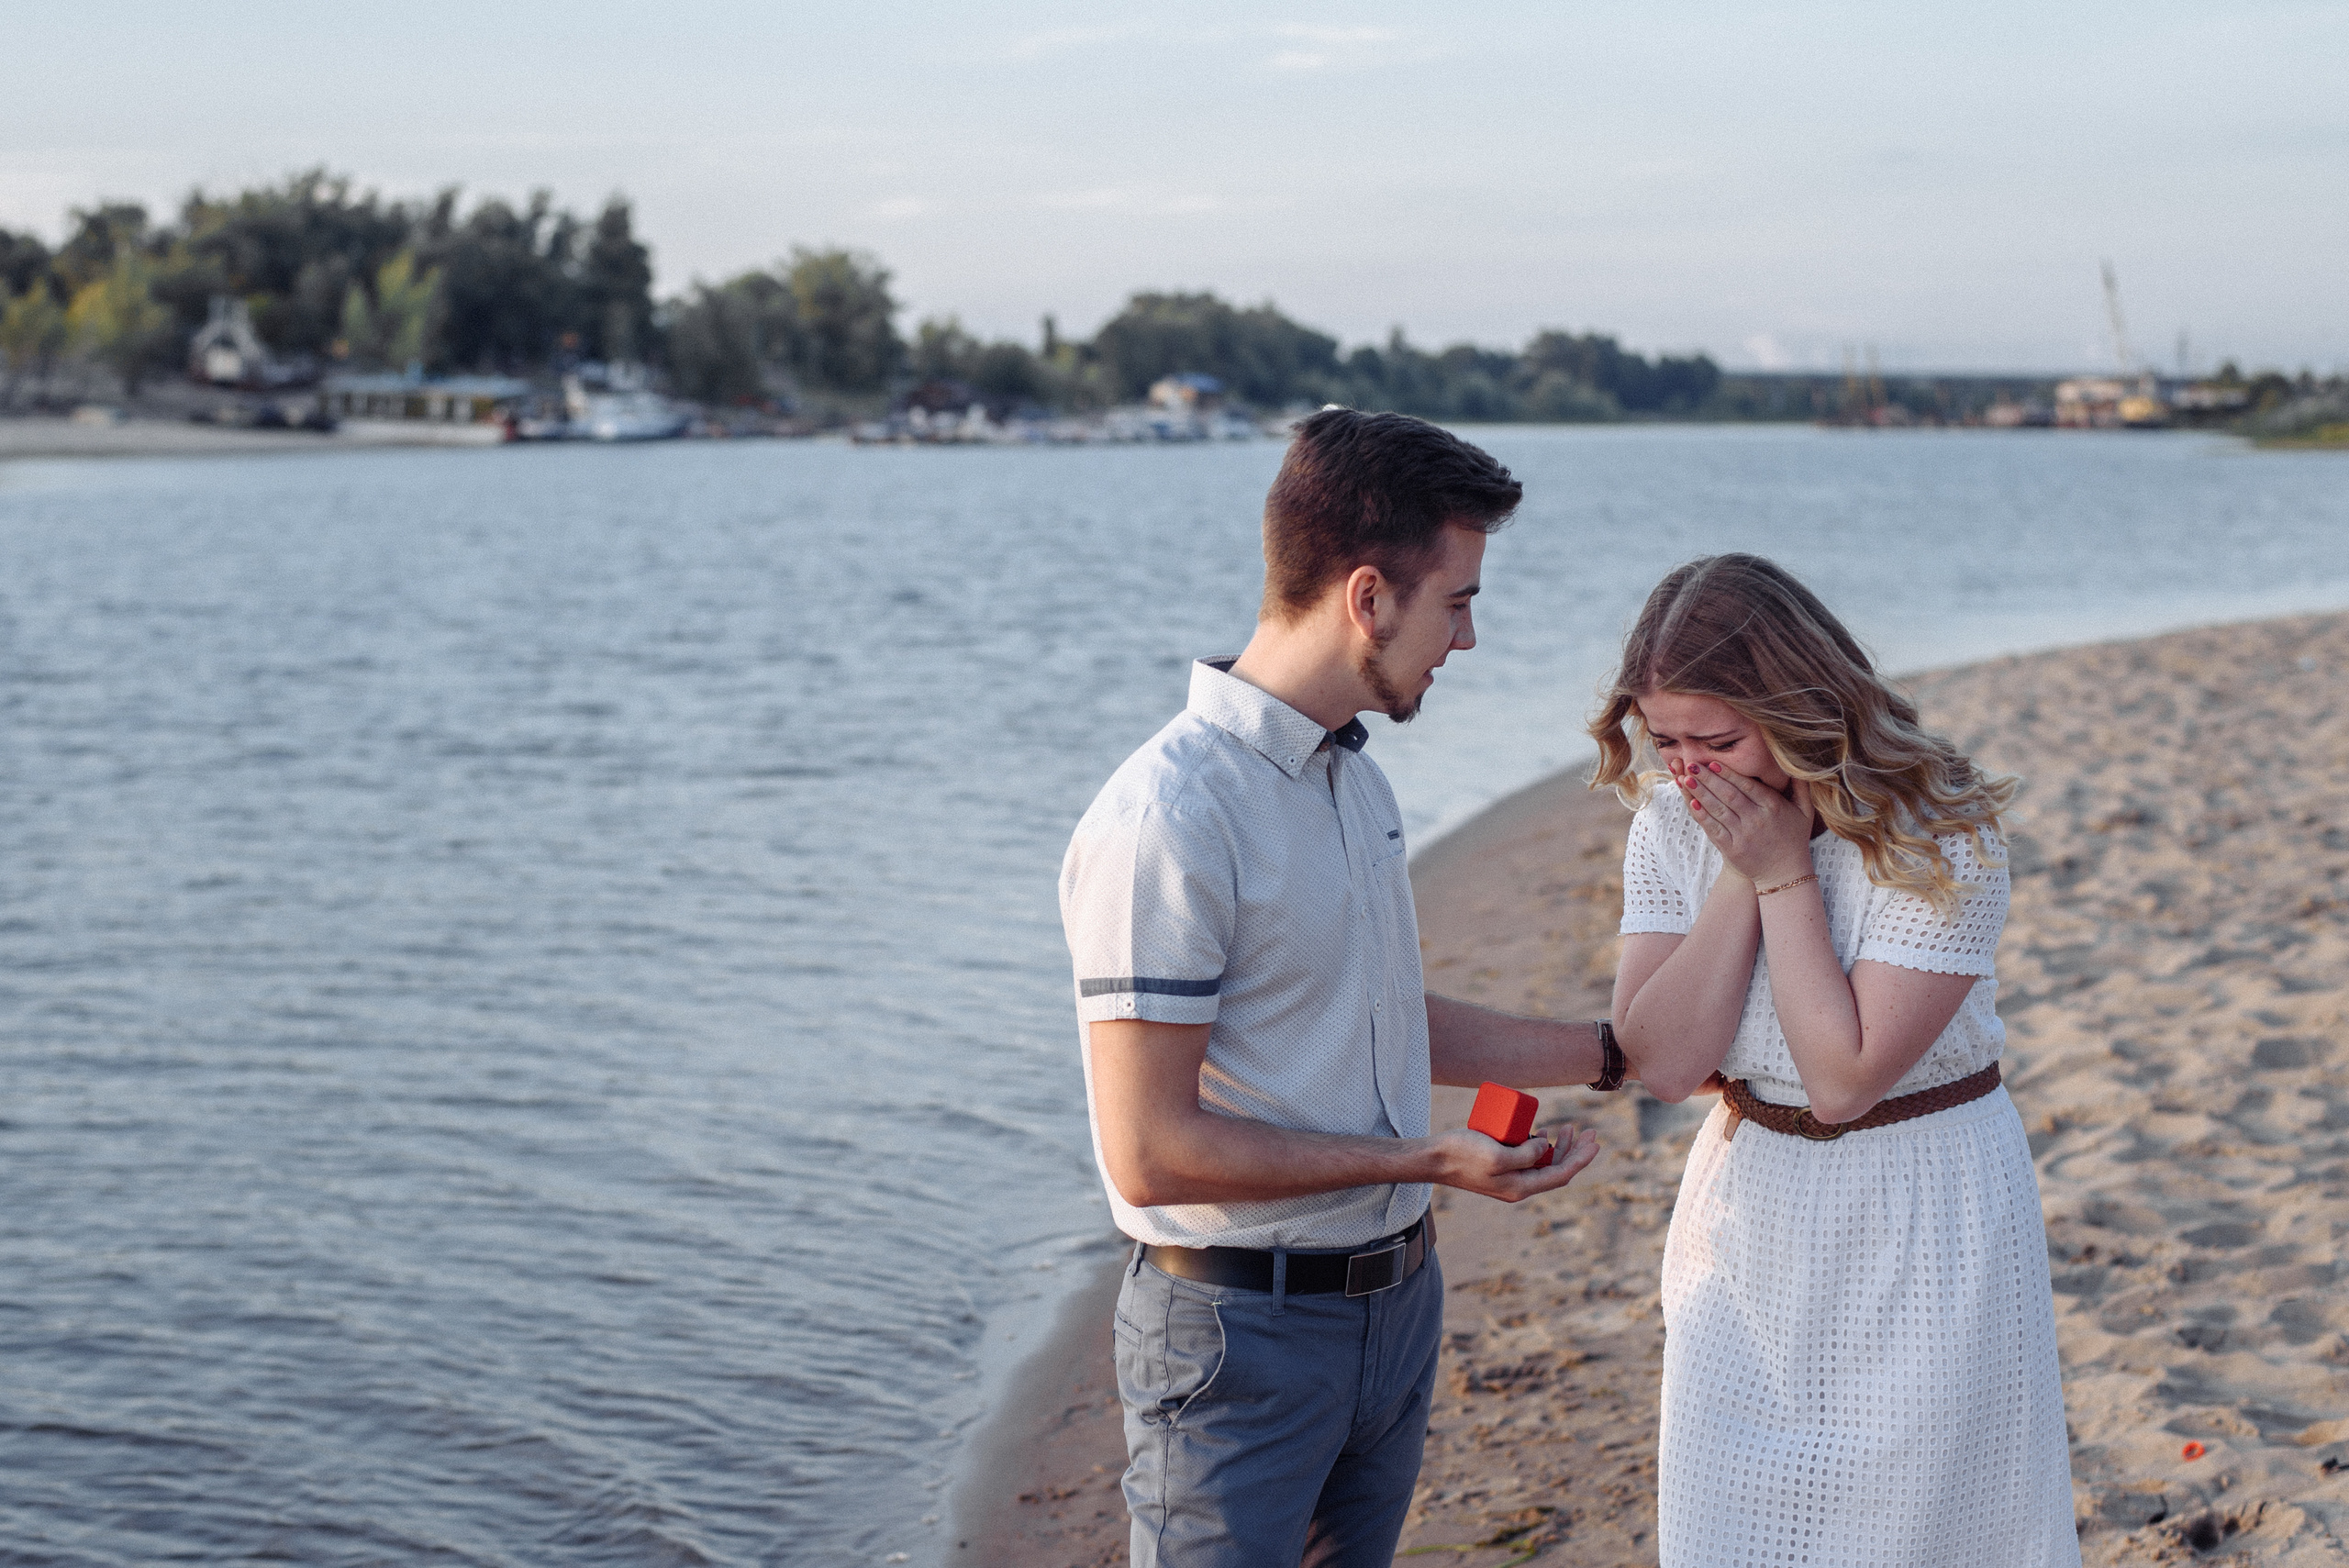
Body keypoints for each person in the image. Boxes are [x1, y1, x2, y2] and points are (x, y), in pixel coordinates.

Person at [1060, 408, 1622, 1568]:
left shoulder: (1347, 778)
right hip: (1235, 1337)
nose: (1466, 637)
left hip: (1395, 1309)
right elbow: (1151, 1150)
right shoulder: (1171, 815)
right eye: (1456, 599)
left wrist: (1606, 1052)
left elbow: (1367, 1020)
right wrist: (1426, 1158)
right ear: (1368, 597)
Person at [1596, 553, 2077, 1567]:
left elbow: (1846, 1078)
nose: (1689, 769)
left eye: (1717, 739)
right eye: (1667, 738)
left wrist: (1783, 876)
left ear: (1798, 703)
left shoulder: (1937, 826)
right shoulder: (1669, 824)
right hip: (1749, 1210)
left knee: (1921, 1527)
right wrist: (1741, 870)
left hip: (1917, 1204)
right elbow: (1667, 1061)